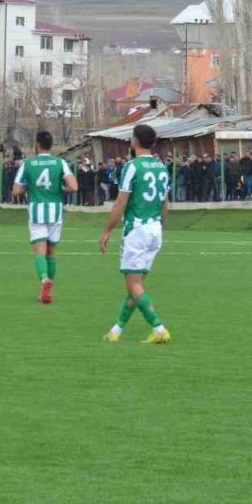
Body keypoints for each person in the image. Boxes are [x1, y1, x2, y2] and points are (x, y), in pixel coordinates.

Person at [99, 123, 170, 344]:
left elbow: (121, 201)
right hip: (155, 228)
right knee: (136, 284)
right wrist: (159, 226)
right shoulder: (161, 167)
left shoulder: (132, 166)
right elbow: (164, 203)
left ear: (134, 141)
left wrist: (107, 230)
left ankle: (159, 328)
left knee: (133, 284)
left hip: (137, 230)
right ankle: (116, 330)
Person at [11, 130, 77, 305]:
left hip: (37, 210)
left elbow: (16, 190)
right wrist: (61, 189)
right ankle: (48, 290)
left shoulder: (28, 163)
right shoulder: (60, 162)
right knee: (51, 253)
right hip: (56, 211)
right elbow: (74, 186)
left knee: (39, 252)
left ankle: (44, 280)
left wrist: (28, 187)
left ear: (37, 144)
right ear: (51, 144)